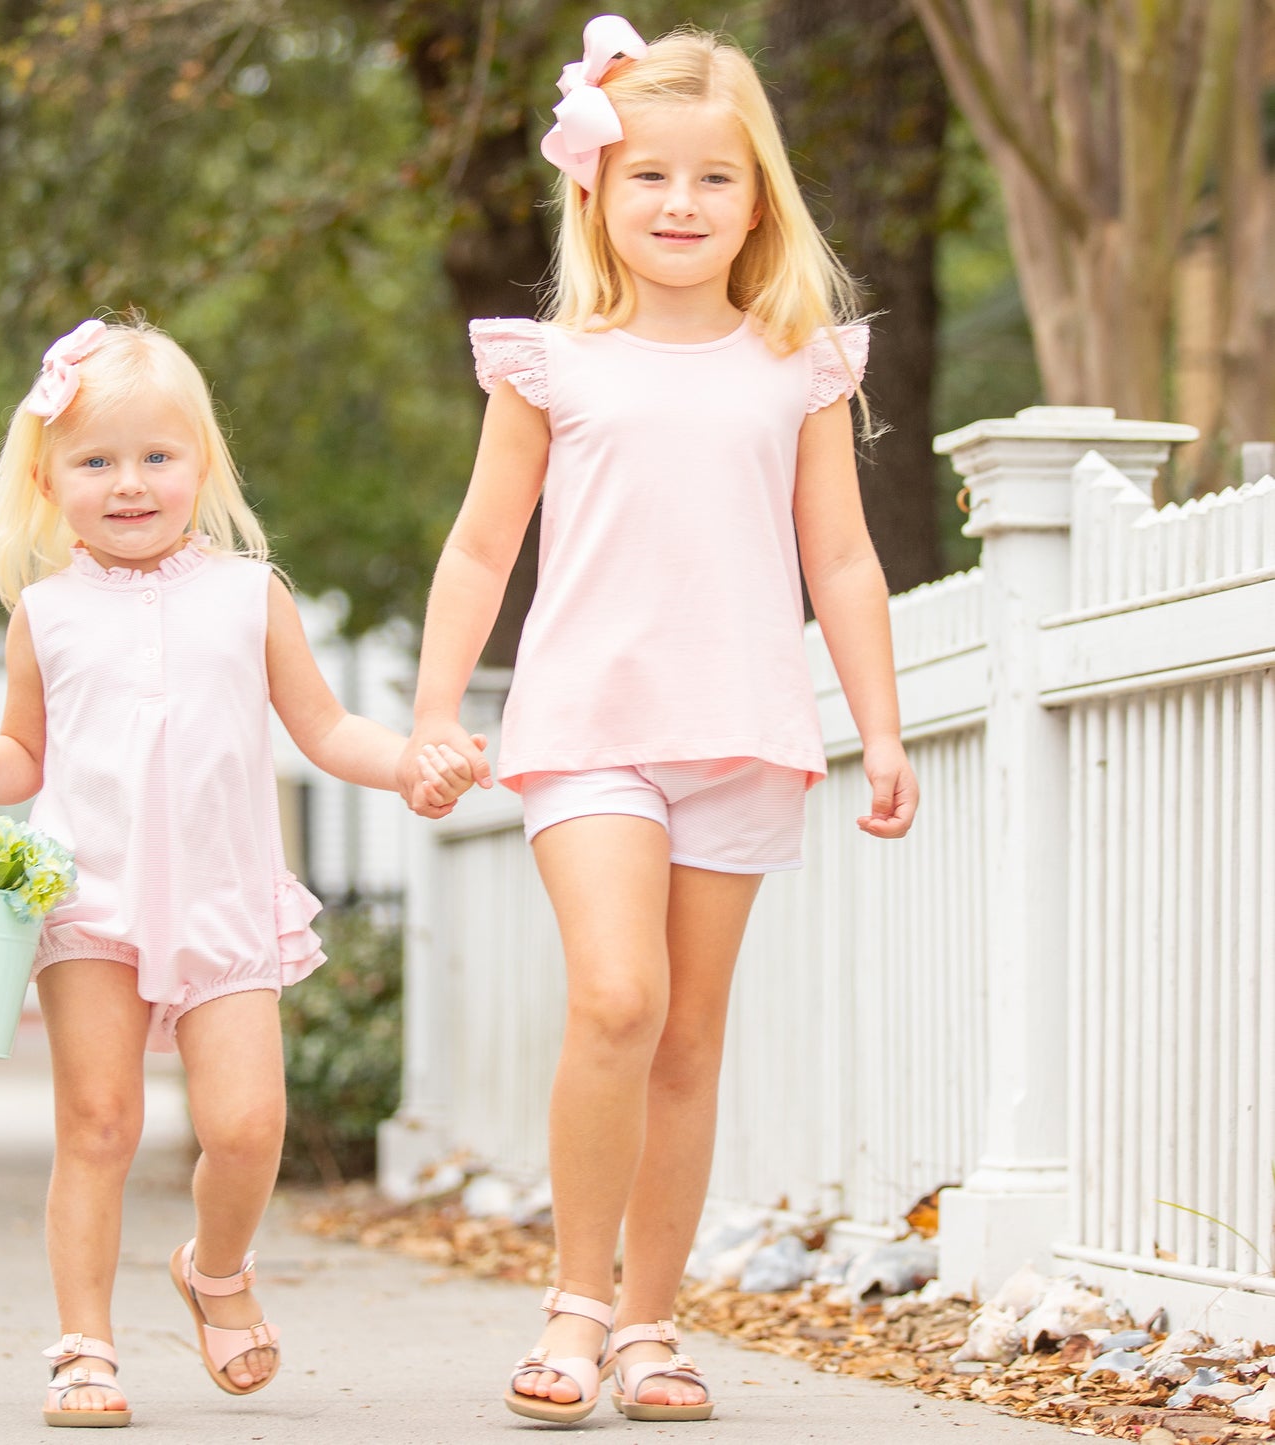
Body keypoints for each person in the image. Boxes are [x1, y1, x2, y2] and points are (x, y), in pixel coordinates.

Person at [396, 15, 918, 1426]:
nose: (680, 205)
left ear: (759, 199)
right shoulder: (550, 365)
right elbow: (477, 550)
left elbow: (844, 561)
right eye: (649, 177)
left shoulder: (799, 362)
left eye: (713, 179)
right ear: (595, 191)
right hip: (588, 729)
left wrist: (879, 728)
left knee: (688, 1040)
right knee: (619, 999)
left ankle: (649, 1326)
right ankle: (573, 1305)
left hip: (743, 730)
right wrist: (435, 710)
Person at [0, 315, 477, 1428]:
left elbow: (322, 728)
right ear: (48, 478)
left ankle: (214, 1270)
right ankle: (84, 1344)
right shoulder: (46, 612)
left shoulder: (249, 594)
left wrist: (410, 762)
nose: (128, 483)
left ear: (201, 464)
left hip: (225, 892)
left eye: (156, 457)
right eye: (96, 461)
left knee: (245, 1126)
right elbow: (26, 746)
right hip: (90, 896)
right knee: (96, 1123)